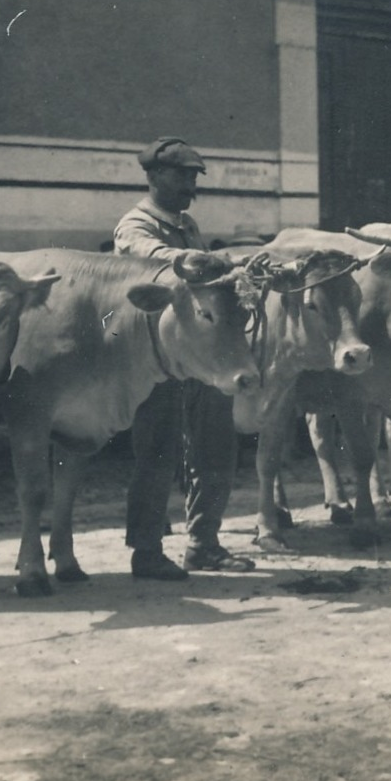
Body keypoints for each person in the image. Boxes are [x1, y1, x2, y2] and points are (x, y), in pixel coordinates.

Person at [114, 136, 255, 577]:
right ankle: (147, 552)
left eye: (194, 176)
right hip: (158, 358)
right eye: (181, 175)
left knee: (216, 449)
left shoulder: (187, 223)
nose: (190, 185)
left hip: (203, 355)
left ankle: (204, 544)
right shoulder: (134, 225)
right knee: (157, 452)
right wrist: (209, 260)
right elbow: (156, 260)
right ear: (153, 176)